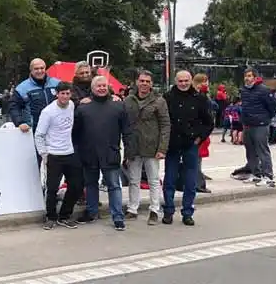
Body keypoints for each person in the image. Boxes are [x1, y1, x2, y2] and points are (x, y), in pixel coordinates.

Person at [73, 75, 132, 230]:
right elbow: (76, 133)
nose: (101, 88)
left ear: (108, 87)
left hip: (110, 153)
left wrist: (128, 152)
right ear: (92, 89)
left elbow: (126, 131)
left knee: (114, 186)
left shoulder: (118, 106)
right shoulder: (83, 108)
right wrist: (77, 152)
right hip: (89, 154)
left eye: (104, 85)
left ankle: (118, 217)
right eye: (98, 86)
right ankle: (92, 212)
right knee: (91, 184)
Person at [162, 71, 213, 226]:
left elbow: (209, 122)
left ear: (191, 81)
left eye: (186, 80)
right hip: (172, 144)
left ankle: (187, 212)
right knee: (169, 179)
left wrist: (199, 138)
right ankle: (168, 211)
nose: (183, 83)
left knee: (190, 181)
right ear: (175, 81)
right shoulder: (168, 98)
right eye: (180, 81)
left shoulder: (200, 99)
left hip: (191, 144)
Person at [123, 70, 170, 225]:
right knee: (134, 180)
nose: (144, 84)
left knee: (154, 180)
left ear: (151, 84)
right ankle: (132, 208)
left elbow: (165, 125)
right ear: (137, 82)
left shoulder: (159, 101)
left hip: (152, 147)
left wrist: (162, 148)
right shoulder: (128, 100)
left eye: (147, 81)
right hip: (134, 147)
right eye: (142, 81)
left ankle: (155, 209)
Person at [34, 82, 83, 230]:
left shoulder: (72, 106)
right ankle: (50, 217)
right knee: (52, 188)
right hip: (54, 155)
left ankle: (65, 216)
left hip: (69, 152)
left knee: (77, 185)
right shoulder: (48, 112)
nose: (65, 97)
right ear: (57, 94)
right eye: (62, 93)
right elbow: (39, 135)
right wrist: (44, 154)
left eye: (68, 94)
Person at [231, 68, 276, 186]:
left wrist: (265, 118)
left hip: (260, 124)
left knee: (262, 150)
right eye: (246, 76)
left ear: (255, 77)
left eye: (250, 76)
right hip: (247, 124)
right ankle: (256, 174)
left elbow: (273, 107)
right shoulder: (244, 90)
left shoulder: (264, 90)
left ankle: (268, 176)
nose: (247, 78)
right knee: (250, 150)